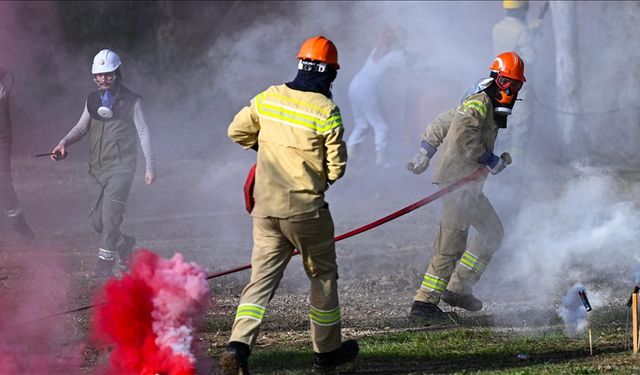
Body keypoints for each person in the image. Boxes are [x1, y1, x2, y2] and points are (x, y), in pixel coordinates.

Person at [222, 36, 358, 374]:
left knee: (260, 281)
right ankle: (326, 353)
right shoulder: (326, 111)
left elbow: (236, 131)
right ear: (330, 74)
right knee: (322, 276)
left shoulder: (269, 97)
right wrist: (314, 174)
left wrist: (268, 150)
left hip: (265, 211)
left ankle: (237, 349)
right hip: (306, 212)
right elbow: (337, 168)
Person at [406, 52, 526, 320]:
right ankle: (424, 303)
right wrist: (489, 159)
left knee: (492, 232)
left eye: (517, 86)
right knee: (451, 242)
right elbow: (463, 135)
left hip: (469, 184)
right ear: (497, 79)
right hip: (457, 182)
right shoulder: (478, 103)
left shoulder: (483, 103)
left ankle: (459, 287)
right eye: (509, 83)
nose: (513, 91)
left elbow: (443, 122)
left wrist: (425, 152)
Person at [50, 49, 156, 280]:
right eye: (99, 75)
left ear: (117, 73)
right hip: (97, 170)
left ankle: (104, 265)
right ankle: (123, 243)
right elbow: (81, 127)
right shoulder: (92, 100)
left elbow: (143, 131)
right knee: (98, 222)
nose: (103, 79)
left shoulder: (132, 100)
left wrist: (149, 166)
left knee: (110, 217)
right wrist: (63, 142)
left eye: (108, 74)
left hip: (122, 167)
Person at [346, 26, 409, 169]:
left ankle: (350, 152)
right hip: (366, 89)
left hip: (355, 84)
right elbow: (408, 66)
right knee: (381, 126)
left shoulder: (376, 50)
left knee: (361, 123)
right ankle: (381, 160)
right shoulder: (396, 54)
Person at [491, 0, 543, 159]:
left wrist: (528, 31)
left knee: (504, 123)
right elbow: (531, 58)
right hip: (518, 85)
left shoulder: (497, 28)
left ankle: (498, 160)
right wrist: (531, 35)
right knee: (521, 125)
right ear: (523, 9)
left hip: (500, 82)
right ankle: (516, 164)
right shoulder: (522, 31)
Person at [0, 68, 35, 243]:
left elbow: (8, 75)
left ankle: (18, 224)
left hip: (1, 139)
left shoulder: (4, 81)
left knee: (3, 182)